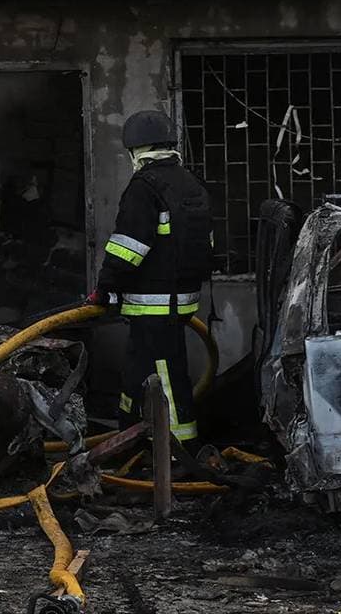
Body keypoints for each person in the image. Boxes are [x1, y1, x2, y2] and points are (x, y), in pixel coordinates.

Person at [88, 110, 211, 448]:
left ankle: (177, 451)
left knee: (166, 379)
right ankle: (130, 439)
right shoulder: (191, 185)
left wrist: (105, 288)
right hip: (180, 302)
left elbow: (128, 249)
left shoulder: (144, 188)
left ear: (136, 151)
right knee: (136, 375)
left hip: (152, 306)